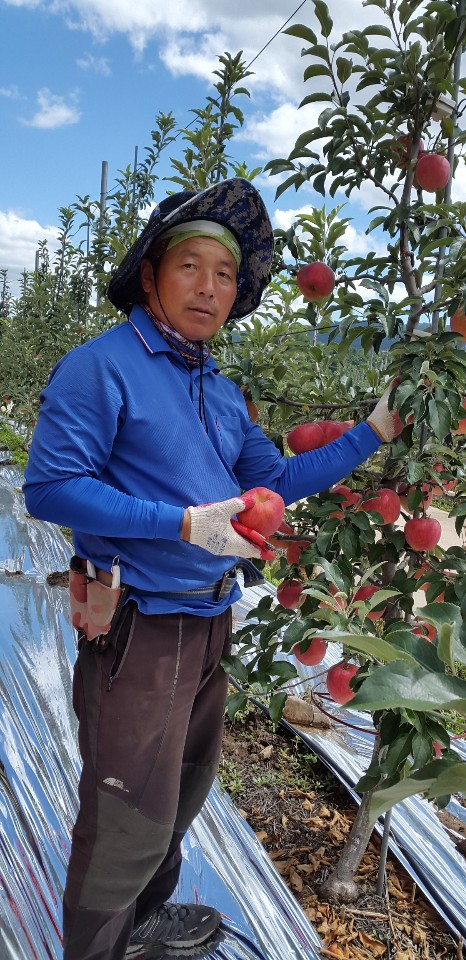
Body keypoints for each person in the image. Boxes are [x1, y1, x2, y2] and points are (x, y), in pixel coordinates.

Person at [23, 177, 403, 960]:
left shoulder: (220, 393)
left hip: (208, 617)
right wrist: (182, 522)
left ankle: (144, 921)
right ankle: (95, 948)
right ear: (152, 274)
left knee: (184, 789)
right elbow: (50, 488)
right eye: (191, 265)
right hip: (138, 625)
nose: (209, 286)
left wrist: (371, 431)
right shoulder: (103, 367)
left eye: (225, 273)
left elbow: (278, 483)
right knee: (126, 806)